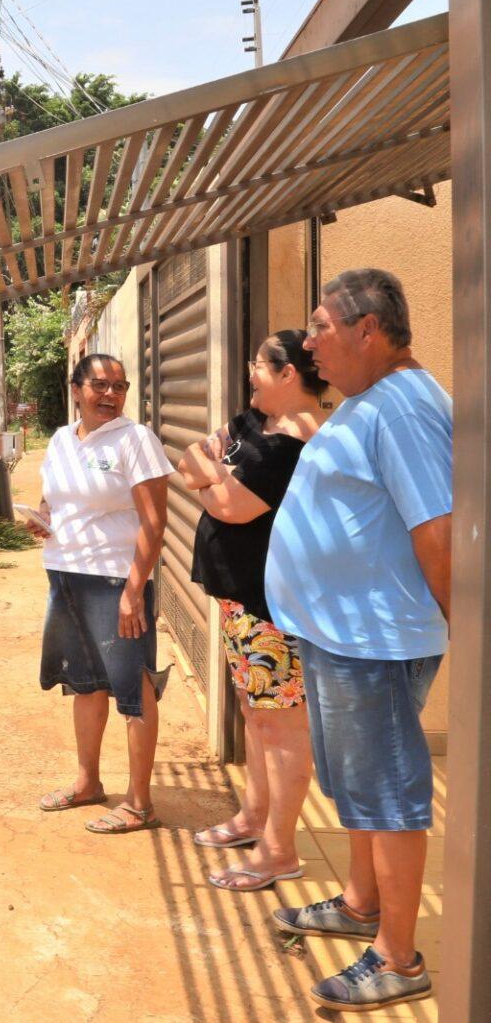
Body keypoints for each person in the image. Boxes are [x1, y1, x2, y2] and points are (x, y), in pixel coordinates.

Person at [263, 269, 451, 1012]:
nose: (308, 344)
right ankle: (360, 903)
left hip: (373, 639)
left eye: (320, 327)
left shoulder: (403, 408)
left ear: (368, 329)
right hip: (345, 635)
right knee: (364, 789)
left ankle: (398, 960)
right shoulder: (372, 401)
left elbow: (438, 530)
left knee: (390, 795)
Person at [179, 330, 327, 892]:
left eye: (259, 365)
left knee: (281, 722)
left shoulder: (298, 439)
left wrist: (213, 479)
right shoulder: (252, 423)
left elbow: (234, 508)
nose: (249, 372)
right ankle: (253, 817)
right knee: (254, 711)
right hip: (236, 596)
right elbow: (190, 460)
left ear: (288, 373)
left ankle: (279, 849)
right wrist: (214, 480)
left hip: (273, 602)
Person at [25, 354, 173, 834]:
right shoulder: (61, 440)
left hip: (115, 581)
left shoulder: (136, 440)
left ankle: (140, 803)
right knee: (84, 684)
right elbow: (53, 498)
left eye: (119, 386)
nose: (110, 395)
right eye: (100, 385)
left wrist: (134, 590)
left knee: (134, 688)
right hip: (65, 576)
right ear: (76, 390)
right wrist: (43, 519)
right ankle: (88, 782)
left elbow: (155, 522)